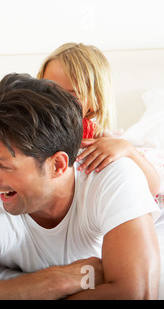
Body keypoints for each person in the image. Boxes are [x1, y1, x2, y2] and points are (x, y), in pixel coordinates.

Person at [0, 73, 161, 299]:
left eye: (4, 166)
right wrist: (55, 281)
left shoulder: (112, 177)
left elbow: (136, 293)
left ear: (57, 165)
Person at [37, 43, 160, 196]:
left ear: (95, 102)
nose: (56, 101)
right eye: (49, 90)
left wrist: (129, 150)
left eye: (71, 94)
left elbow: (153, 187)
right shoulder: (32, 128)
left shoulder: (97, 139)